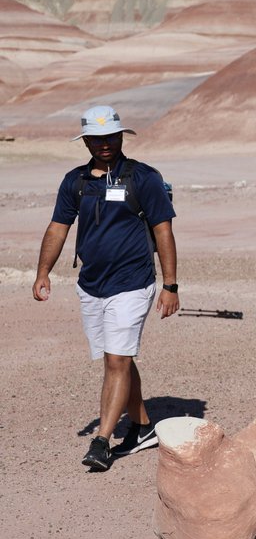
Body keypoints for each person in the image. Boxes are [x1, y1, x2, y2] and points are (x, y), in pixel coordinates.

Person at [33, 105, 179, 472]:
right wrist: (43, 272)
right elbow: (57, 228)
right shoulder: (75, 181)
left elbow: (163, 230)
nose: (104, 144)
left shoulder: (143, 177)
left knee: (116, 360)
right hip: (91, 286)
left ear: (121, 136)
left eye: (110, 137)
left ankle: (103, 441)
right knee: (119, 357)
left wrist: (170, 285)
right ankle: (144, 427)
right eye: (96, 138)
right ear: (86, 141)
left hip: (132, 282)